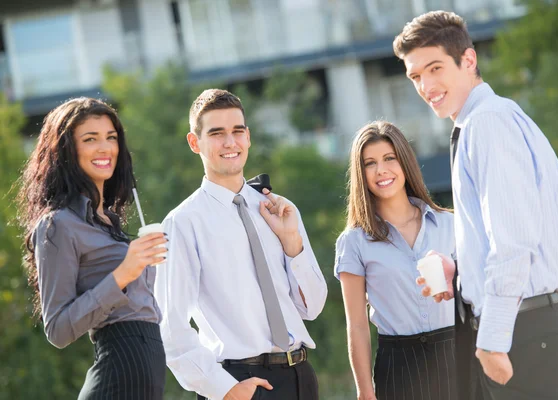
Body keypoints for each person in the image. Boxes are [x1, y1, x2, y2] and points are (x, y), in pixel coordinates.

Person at [393, 10, 558, 400]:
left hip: (521, 331)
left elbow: (514, 240)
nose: (426, 86)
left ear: (468, 60)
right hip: (530, 325)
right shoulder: (490, 120)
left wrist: (494, 339)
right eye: (416, 76)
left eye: (435, 68)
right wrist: (461, 270)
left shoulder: (487, 124)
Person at [154, 89, 327, 400]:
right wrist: (223, 388)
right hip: (237, 382)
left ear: (248, 137)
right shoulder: (183, 222)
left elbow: (312, 307)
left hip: (300, 377)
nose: (230, 142)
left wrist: (292, 243)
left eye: (237, 131)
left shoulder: (279, 210)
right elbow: (169, 324)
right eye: (217, 133)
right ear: (195, 143)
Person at [17, 97, 168, 399]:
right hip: (118, 370)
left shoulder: (109, 223)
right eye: (90, 139)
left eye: (111, 138)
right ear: (66, 151)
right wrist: (122, 275)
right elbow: (58, 330)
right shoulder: (58, 224)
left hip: (148, 367)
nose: (105, 148)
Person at [334, 121, 457, 400]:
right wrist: (365, 390)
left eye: (390, 158)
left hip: (458, 355)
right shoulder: (354, 242)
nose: (381, 170)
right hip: (400, 366)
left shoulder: (450, 225)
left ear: (405, 162)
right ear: (360, 173)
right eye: (369, 163)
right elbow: (357, 325)